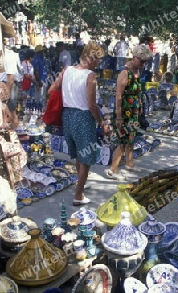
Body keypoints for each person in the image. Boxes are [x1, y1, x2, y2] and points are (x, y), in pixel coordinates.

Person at [59, 41, 109, 206]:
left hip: (68, 115)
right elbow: (92, 105)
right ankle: (78, 195)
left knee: (79, 153)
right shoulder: (90, 76)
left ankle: (81, 183)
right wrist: (101, 123)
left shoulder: (67, 71)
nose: (99, 63)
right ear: (91, 58)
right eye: (98, 60)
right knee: (87, 156)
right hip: (83, 117)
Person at [105, 44, 152, 180]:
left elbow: (137, 92)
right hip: (124, 112)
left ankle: (130, 163)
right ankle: (113, 169)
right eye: (142, 61)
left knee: (131, 138)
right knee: (123, 141)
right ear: (134, 58)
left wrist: (140, 105)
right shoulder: (125, 73)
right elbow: (118, 96)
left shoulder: (137, 72)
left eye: (145, 61)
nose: (144, 64)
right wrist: (119, 117)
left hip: (133, 111)